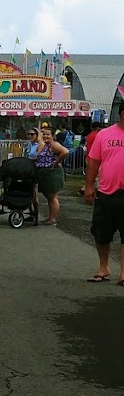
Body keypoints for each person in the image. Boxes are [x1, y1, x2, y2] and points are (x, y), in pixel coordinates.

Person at [84, 107, 124, 283]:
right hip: (107, 191)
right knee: (101, 232)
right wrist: (88, 186)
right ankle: (103, 267)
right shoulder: (104, 135)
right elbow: (94, 161)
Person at [35, 126, 69, 226]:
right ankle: (50, 217)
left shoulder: (54, 145)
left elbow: (65, 151)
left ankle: (52, 219)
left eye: (48, 134)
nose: (45, 136)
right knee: (49, 196)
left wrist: (57, 161)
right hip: (44, 173)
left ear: (53, 136)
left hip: (52, 173)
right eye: (44, 134)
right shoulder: (44, 145)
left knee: (53, 196)